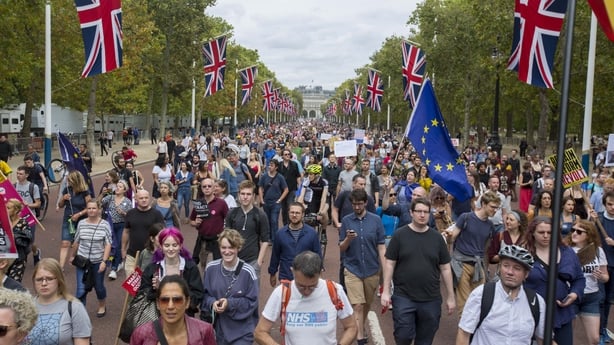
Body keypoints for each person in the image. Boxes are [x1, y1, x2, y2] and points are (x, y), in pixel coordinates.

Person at [381, 198, 456, 345]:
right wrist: (386, 291)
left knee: (425, 340)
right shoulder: (400, 235)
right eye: (419, 211)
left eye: (426, 212)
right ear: (411, 213)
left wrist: (451, 297)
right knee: (403, 335)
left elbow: (445, 267)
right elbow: (390, 263)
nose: (422, 215)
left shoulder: (437, 238)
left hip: (430, 299)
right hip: (404, 296)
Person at [255, 251, 357, 345]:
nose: (307, 291)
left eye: (313, 286)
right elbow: (260, 332)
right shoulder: (282, 292)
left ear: (321, 273)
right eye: (301, 286)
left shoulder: (335, 290)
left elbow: (351, 327)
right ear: (292, 271)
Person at [456, 245, 547, 345]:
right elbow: (464, 334)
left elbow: (543, 339)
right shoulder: (481, 294)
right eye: (506, 265)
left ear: (526, 274)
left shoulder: (536, 302)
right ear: (499, 268)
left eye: (517, 268)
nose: (510, 272)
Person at [524, 216, 585, 345]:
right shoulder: (525, 254)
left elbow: (579, 278)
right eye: (541, 232)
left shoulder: (567, 252)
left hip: (561, 314)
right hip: (531, 315)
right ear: (533, 233)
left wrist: (574, 294)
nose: (546, 236)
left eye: (550, 232)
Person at [339, 189, 385, 345]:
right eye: (354, 204)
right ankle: (360, 338)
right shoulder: (346, 220)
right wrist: (347, 239)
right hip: (352, 268)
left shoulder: (376, 220)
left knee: (365, 304)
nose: (356, 207)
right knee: (357, 305)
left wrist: (385, 271)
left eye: (359, 204)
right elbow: (341, 247)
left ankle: (360, 325)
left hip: (372, 269)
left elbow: (381, 246)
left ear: (365, 203)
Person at [445, 191, 500, 315]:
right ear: (484, 204)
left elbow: (486, 249)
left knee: (478, 303)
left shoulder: (490, 225)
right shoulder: (466, 217)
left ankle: (474, 333)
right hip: (462, 264)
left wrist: (486, 270)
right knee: (464, 305)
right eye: (492, 207)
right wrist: (449, 237)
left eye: (497, 208)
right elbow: (452, 238)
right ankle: (464, 333)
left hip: (478, 266)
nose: (495, 210)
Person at [203, 229, 259, 345]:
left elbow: (252, 303)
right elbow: (205, 295)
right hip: (219, 331)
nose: (227, 251)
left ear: (238, 248)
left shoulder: (248, 272)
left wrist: (229, 304)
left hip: (242, 332)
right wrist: (212, 303)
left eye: (231, 247)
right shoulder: (210, 268)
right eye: (224, 247)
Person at [130, 275, 216, 345]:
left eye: (177, 300)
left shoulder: (204, 331)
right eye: (164, 300)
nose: (170, 306)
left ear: (187, 302)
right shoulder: (141, 334)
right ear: (158, 304)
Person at [139, 227, 204, 317]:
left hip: (184, 318)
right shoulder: (152, 268)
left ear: (180, 246)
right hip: (157, 318)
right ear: (161, 246)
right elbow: (143, 293)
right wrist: (156, 291)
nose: (170, 249)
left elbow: (198, 295)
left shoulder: (190, 267)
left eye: (174, 245)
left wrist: (166, 289)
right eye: (167, 245)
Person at [565, 219, 609, 345]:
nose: (574, 233)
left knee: (594, 339)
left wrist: (601, 277)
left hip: (591, 297)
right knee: (567, 337)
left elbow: (606, 277)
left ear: (589, 234)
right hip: (570, 296)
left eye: (579, 231)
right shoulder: (566, 250)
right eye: (573, 230)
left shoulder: (598, 251)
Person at [30, 258, 92, 344]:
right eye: (39, 279)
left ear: (59, 280)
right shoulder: (26, 306)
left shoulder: (74, 307)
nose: (44, 283)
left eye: (50, 279)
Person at [72, 200, 112, 316]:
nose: (91, 211)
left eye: (94, 208)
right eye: (89, 208)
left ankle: (102, 305)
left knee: (98, 287)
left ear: (98, 210)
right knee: (81, 288)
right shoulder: (81, 223)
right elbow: (77, 241)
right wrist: (72, 256)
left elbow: (108, 244)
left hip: (98, 261)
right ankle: (80, 313)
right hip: (82, 261)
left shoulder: (104, 225)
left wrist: (104, 261)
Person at [269, 202, 321, 286]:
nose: (294, 215)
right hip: (286, 277)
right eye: (292, 212)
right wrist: (272, 273)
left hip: (306, 278)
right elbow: (275, 255)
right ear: (288, 213)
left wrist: (319, 275)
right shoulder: (280, 234)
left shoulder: (312, 233)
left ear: (303, 214)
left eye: (297, 213)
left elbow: (318, 256)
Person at [224, 180, 270, 276]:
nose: (245, 197)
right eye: (243, 194)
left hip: (252, 261)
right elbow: (227, 237)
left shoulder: (260, 215)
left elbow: (265, 240)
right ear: (239, 195)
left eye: (248, 194)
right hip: (234, 259)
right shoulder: (232, 213)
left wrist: (259, 262)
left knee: (252, 290)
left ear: (253, 196)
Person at [122, 189, 165, 276]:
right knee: (131, 286)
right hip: (133, 255)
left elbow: (163, 234)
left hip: (150, 255)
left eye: (146, 198)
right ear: (136, 199)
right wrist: (123, 249)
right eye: (141, 198)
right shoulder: (130, 213)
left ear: (149, 199)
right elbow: (126, 232)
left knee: (147, 284)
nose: (144, 200)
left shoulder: (156, 214)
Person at [190, 178, 229, 268]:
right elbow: (191, 221)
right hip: (202, 241)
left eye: (209, 186)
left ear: (213, 188)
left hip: (217, 241)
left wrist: (225, 235)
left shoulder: (221, 203)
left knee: (217, 267)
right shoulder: (198, 203)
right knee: (204, 267)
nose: (207, 188)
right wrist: (195, 223)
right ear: (202, 189)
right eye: (204, 186)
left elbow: (228, 219)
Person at [58, 170, 92, 270]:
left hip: (81, 220)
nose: (68, 182)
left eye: (70, 180)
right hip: (68, 219)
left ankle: (79, 260)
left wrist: (79, 214)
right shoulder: (67, 190)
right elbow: (60, 206)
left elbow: (89, 207)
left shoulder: (85, 192)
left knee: (79, 243)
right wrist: (63, 199)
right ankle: (61, 267)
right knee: (65, 242)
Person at [100, 179, 132, 280]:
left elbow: (131, 216)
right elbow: (99, 203)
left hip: (122, 225)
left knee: (118, 245)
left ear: (124, 190)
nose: (117, 188)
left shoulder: (127, 201)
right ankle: (113, 262)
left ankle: (113, 268)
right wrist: (102, 193)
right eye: (117, 186)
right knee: (110, 245)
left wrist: (124, 213)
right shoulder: (110, 198)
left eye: (120, 187)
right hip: (110, 225)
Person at [259, 159, 289, 243]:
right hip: (266, 202)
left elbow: (286, 189)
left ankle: (275, 239)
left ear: (276, 167)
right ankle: (269, 237)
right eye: (269, 165)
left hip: (275, 202)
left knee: (274, 220)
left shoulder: (280, 177)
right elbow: (260, 188)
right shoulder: (264, 176)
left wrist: (280, 200)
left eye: (272, 165)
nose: (269, 167)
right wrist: (261, 199)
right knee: (267, 220)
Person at [5, 199, 32, 282]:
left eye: (8, 208)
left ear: (16, 210)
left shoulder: (23, 223)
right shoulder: (3, 222)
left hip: (18, 259)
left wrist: (14, 237)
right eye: (5, 208)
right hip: (4, 258)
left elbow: (27, 238)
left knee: (14, 284)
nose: (6, 210)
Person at [278, 148, 303, 224]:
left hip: (292, 189)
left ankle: (290, 223)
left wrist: (299, 187)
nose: (287, 156)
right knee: (284, 208)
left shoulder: (294, 164)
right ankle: (285, 224)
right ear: (282, 156)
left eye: (289, 154)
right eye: (285, 154)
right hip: (282, 190)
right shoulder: (279, 165)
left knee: (290, 206)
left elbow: (297, 176)